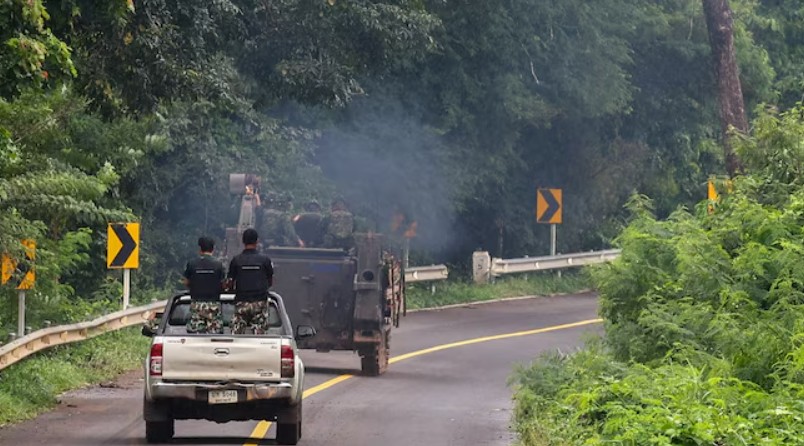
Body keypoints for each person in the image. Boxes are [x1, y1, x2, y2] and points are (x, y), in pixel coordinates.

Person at [227, 228, 274, 334]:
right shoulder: (265, 260)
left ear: (243, 241)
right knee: (259, 336)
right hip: (260, 302)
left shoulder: (236, 260)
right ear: (257, 241)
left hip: (241, 302)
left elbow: (230, 282)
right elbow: (270, 281)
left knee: (236, 334)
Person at [183, 236, 226, 334]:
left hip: (196, 304)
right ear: (213, 249)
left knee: (195, 334)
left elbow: (185, 281)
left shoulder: (192, 263)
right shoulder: (219, 264)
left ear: (200, 249)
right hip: (213, 304)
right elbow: (224, 284)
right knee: (214, 335)